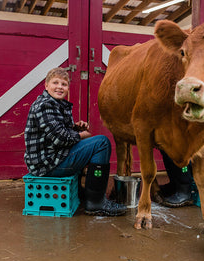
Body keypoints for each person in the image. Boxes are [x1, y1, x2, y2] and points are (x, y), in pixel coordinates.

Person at [24, 67, 127, 216]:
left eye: (64, 84)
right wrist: (81, 135)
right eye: (55, 83)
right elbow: (60, 138)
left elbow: (56, 132)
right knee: (101, 143)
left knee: (94, 143)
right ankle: (96, 202)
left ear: (68, 88)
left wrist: (76, 128)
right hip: (48, 164)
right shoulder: (45, 105)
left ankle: (86, 193)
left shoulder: (55, 103)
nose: (60, 87)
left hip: (51, 158)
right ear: (46, 86)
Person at [160, 112, 204, 207]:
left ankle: (185, 192)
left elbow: (197, 138)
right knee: (167, 148)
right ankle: (175, 185)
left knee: (179, 152)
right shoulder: (194, 115)